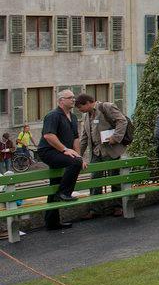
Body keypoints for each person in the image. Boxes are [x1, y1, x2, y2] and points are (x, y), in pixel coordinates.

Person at [36, 90, 85, 230]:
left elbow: (76, 138)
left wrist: (79, 155)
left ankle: (52, 222)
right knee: (74, 162)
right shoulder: (53, 115)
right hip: (49, 152)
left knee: (55, 184)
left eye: (73, 97)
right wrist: (65, 150)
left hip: (62, 152)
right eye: (70, 98)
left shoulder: (74, 117)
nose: (73, 100)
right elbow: (49, 136)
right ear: (61, 101)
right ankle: (64, 193)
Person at [75, 93, 130, 218]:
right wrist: (79, 155)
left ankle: (117, 206)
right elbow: (84, 137)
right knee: (95, 179)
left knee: (114, 178)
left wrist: (115, 137)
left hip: (111, 150)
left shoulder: (107, 107)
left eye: (80, 107)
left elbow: (122, 121)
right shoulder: (86, 116)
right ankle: (95, 209)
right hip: (96, 152)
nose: (79, 110)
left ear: (88, 103)